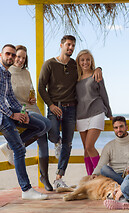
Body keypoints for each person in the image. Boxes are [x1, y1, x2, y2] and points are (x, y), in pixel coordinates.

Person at [0, 44, 50, 200]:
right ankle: (26, 190)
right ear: (1, 55)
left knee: (40, 125)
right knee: (19, 149)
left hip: (8, 111)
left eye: (13, 55)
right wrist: (13, 115)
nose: (11, 57)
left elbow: (11, 97)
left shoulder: (6, 74)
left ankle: (9, 147)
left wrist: (23, 112)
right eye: (8, 54)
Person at [38, 35, 103, 189]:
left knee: (68, 143)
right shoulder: (49, 64)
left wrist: (99, 68)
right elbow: (41, 87)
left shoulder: (75, 65)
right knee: (52, 134)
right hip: (55, 107)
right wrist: (51, 105)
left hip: (72, 108)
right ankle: (57, 142)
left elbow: (89, 69)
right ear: (61, 45)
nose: (71, 48)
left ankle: (59, 177)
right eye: (68, 45)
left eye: (73, 45)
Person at [4, 45, 53, 191]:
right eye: (18, 56)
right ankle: (12, 146)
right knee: (46, 125)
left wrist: (32, 98)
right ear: (13, 56)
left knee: (43, 136)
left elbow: (30, 90)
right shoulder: (7, 72)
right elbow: (7, 97)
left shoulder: (26, 72)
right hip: (20, 110)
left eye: (23, 58)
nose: (20, 60)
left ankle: (44, 177)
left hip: (32, 107)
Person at [75, 49, 113, 175]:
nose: (85, 62)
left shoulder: (97, 75)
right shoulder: (76, 78)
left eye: (88, 59)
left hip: (97, 111)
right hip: (81, 115)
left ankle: (99, 175)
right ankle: (90, 177)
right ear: (78, 62)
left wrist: (110, 113)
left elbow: (104, 94)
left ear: (91, 61)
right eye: (82, 60)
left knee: (89, 146)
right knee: (85, 149)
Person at [91, 116, 129, 184]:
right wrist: (94, 174)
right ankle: (125, 185)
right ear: (114, 129)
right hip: (114, 176)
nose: (119, 130)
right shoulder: (109, 146)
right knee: (104, 169)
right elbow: (101, 165)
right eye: (116, 127)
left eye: (121, 126)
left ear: (126, 127)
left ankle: (123, 186)